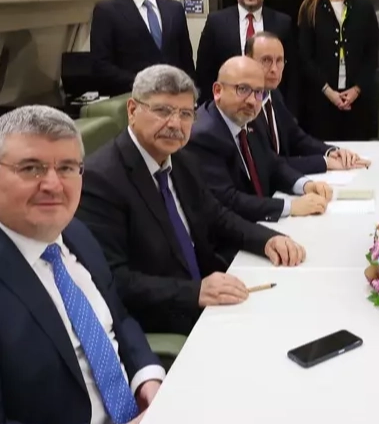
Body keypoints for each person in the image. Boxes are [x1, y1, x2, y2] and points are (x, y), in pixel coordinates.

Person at [76, 65, 306, 336]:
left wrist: (267, 239)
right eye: (162, 111)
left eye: (186, 114)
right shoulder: (100, 179)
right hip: (166, 317)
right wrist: (195, 291)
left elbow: (216, 215)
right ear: (132, 110)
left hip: (212, 294)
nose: (175, 124)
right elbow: (115, 279)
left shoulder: (182, 158)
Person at [0, 106, 163, 424]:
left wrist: (147, 378)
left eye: (67, 168)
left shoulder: (76, 234)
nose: (53, 185)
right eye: (31, 168)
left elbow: (118, 319)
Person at [187, 56, 333, 223]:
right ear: (218, 90)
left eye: (258, 92)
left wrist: (305, 185)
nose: (252, 101)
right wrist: (290, 206)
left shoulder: (249, 119)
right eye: (243, 89)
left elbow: (272, 164)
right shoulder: (203, 136)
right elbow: (228, 199)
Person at [245, 32, 370, 173]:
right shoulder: (244, 105)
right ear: (247, 61)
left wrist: (332, 151)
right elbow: (267, 164)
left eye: (279, 60)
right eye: (266, 60)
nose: (274, 69)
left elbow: (296, 138)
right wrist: (324, 163)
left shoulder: (273, 94)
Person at [90, 0, 194, 96]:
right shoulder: (106, 11)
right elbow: (101, 66)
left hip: (175, 99)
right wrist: (146, 84)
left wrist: (191, 96)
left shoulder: (174, 9)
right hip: (131, 99)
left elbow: (186, 61)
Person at [297, 0, 379, 141]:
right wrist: (328, 91)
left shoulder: (364, 8)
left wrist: (356, 90)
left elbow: (371, 55)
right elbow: (304, 57)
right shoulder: (310, 8)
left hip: (358, 102)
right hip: (321, 102)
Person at [195, 0, 298, 108]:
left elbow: (293, 74)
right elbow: (204, 72)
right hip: (228, 107)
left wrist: (290, 112)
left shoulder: (283, 23)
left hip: (271, 107)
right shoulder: (216, 22)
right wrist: (209, 109)